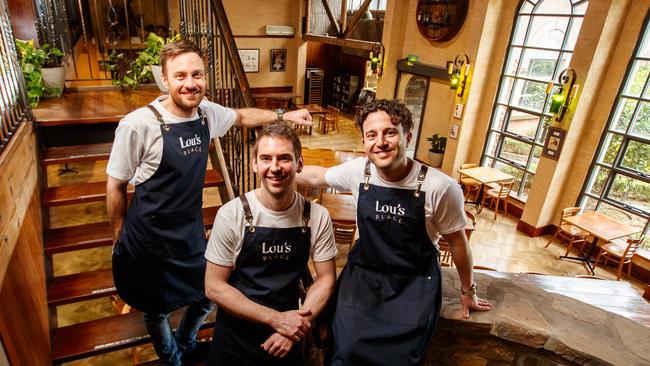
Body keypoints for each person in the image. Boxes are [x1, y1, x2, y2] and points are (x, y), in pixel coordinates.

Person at [106, 39, 312, 366]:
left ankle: (186, 341)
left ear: (205, 76)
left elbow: (243, 116)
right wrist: (118, 232)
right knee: (156, 309)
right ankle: (174, 360)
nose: (190, 83)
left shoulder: (206, 114)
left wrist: (285, 115)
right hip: (148, 239)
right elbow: (115, 184)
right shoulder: (137, 125)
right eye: (181, 76)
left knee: (205, 297)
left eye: (197, 75)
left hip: (188, 232)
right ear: (165, 79)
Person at [296, 99, 492, 365]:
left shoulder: (440, 187)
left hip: (413, 285)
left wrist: (468, 291)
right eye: (371, 135)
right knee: (344, 350)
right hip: (364, 279)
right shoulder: (359, 172)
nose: (381, 142)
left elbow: (458, 243)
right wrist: (282, 170)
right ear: (364, 142)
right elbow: (318, 176)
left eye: (390, 132)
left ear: (407, 137)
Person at [204, 121, 337, 365]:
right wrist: (277, 320)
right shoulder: (232, 214)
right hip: (235, 340)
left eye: (284, 158)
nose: (274, 167)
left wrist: (297, 325)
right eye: (266, 158)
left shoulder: (316, 216)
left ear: (299, 164)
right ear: (254, 164)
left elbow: (326, 278)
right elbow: (214, 287)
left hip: (289, 337)